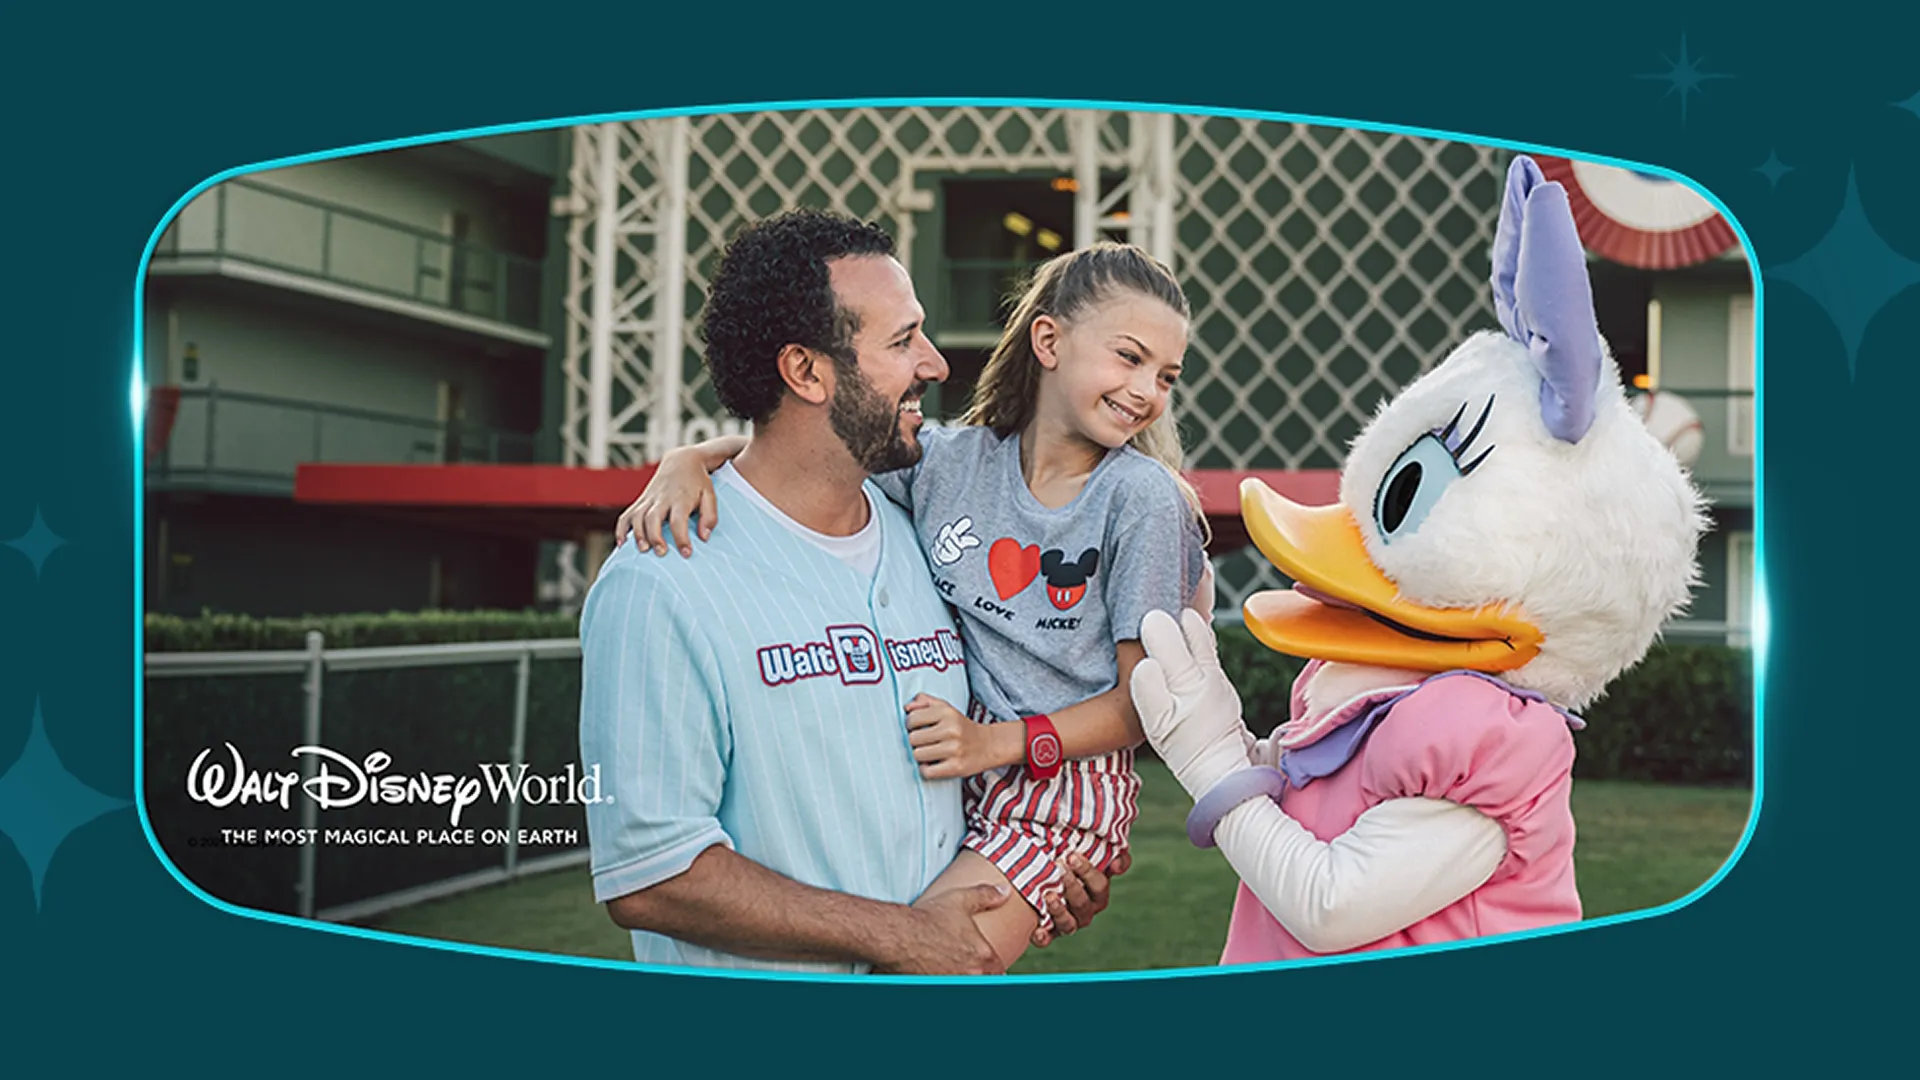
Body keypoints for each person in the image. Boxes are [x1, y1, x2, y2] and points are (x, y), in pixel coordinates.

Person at [617, 239, 1212, 970]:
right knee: (910, 957)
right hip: (973, 778)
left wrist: (1004, 748)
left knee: (921, 967)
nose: (1148, 390)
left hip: (1053, 790)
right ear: (1049, 340)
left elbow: (1144, 703)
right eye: (1129, 358)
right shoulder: (945, 469)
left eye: (1167, 376)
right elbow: (792, 456)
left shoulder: (1141, 499)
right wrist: (686, 460)